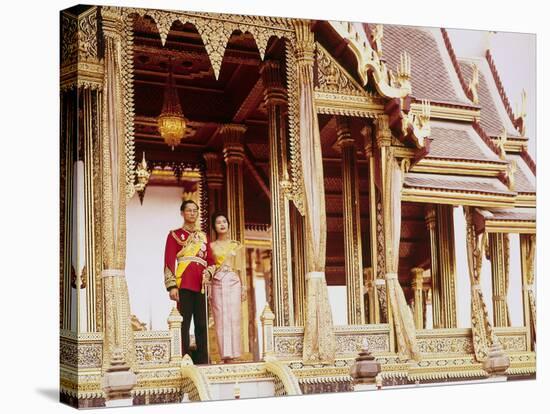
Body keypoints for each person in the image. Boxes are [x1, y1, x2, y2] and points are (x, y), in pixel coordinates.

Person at [164, 200, 215, 365]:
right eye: (189, 210)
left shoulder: (203, 237)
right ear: (182, 213)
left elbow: (211, 261)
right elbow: (169, 260)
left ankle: (203, 360)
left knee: (202, 323)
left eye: (195, 211)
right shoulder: (174, 235)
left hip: (201, 285)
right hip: (184, 283)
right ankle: (183, 358)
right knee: (184, 323)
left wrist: (208, 272)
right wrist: (172, 286)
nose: (192, 213)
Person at [208, 213, 246, 363]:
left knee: (235, 316)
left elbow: (240, 267)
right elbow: (210, 266)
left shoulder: (236, 245)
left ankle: (236, 353)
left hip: (234, 281)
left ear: (228, 224)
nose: (222, 224)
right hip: (217, 281)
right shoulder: (211, 246)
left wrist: (243, 287)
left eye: (224, 221)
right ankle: (225, 355)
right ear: (214, 226)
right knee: (220, 317)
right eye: (218, 222)